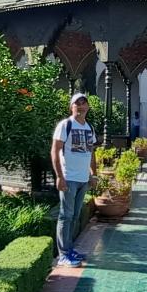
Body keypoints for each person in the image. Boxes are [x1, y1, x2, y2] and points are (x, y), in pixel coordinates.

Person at [50, 93, 95, 267]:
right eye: (77, 104)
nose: (81, 106)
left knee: (75, 216)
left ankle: (69, 249)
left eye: (84, 103)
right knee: (66, 216)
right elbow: (55, 151)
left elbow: (91, 152)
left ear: (88, 107)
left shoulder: (89, 127)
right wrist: (59, 176)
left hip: (83, 179)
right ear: (71, 107)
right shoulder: (65, 125)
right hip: (69, 178)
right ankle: (63, 255)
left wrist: (93, 174)